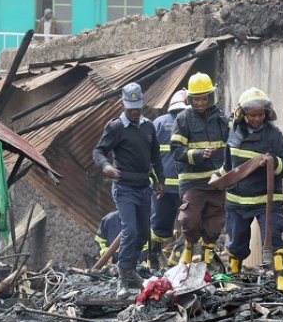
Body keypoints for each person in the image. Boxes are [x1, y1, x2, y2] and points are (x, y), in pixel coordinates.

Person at [93, 82, 165, 299]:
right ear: (123, 104)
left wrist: (161, 180)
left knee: (143, 233)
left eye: (137, 107)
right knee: (130, 230)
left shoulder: (148, 127)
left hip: (144, 187)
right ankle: (122, 279)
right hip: (124, 188)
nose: (134, 111)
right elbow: (99, 151)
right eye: (130, 107)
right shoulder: (116, 127)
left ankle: (130, 268)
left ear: (142, 104)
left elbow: (156, 157)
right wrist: (106, 167)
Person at [218, 88, 283, 293]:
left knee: (275, 238)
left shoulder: (274, 135)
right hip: (237, 199)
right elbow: (228, 165)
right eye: (253, 115)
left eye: (260, 114)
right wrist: (217, 179)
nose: (257, 119)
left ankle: (280, 279)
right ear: (242, 115)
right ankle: (232, 278)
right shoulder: (233, 133)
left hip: (267, 199)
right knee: (236, 242)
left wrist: (272, 162)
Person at [170, 72, 229, 266]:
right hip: (192, 182)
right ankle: (187, 251)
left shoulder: (221, 119)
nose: (201, 102)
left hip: (216, 182)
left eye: (204, 97)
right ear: (191, 99)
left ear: (210, 96)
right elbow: (176, 150)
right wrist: (197, 155)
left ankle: (206, 264)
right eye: (197, 98)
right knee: (190, 220)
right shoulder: (183, 119)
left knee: (214, 225)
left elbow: (231, 145)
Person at [144, 89, 190, 270]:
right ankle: (174, 262)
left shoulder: (158, 123)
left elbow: (147, 156)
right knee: (191, 225)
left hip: (160, 188)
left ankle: (151, 263)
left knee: (158, 227)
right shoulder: (191, 124)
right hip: (185, 187)